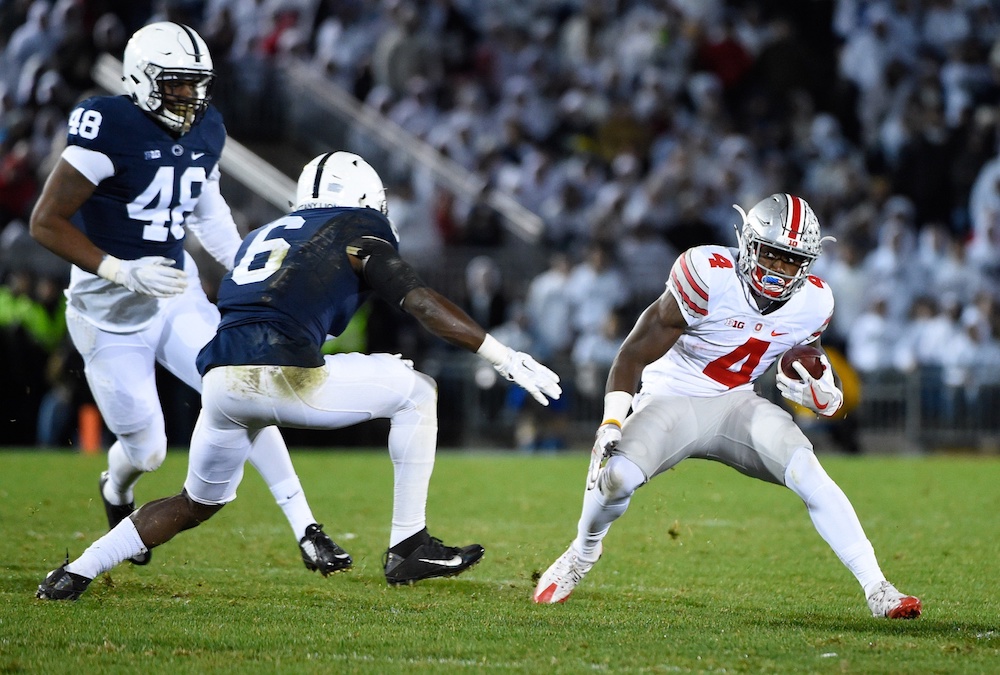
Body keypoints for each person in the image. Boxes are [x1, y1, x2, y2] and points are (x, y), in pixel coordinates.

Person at [36, 150, 562, 600]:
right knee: (418, 392)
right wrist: (503, 356)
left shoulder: (267, 233)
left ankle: (74, 572)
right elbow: (418, 301)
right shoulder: (359, 228)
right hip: (283, 374)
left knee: (196, 502)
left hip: (220, 379)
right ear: (363, 198)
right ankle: (409, 546)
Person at [28, 22, 344, 576]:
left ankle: (307, 528)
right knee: (147, 450)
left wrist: (253, 271)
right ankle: (115, 486)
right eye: (176, 83)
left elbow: (207, 212)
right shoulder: (111, 125)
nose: (189, 96)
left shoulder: (207, 129)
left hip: (174, 294)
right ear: (143, 79)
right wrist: (121, 270)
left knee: (242, 386)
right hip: (107, 314)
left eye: (196, 84)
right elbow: (45, 222)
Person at [531, 194, 922, 620]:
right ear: (749, 244)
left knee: (808, 470)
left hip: (738, 403)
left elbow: (804, 355)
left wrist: (822, 391)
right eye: (772, 254)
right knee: (617, 478)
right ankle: (582, 553)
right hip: (672, 396)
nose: (779, 269)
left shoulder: (816, 301)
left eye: (792, 260)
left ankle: (878, 588)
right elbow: (632, 353)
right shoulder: (707, 273)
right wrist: (611, 421)